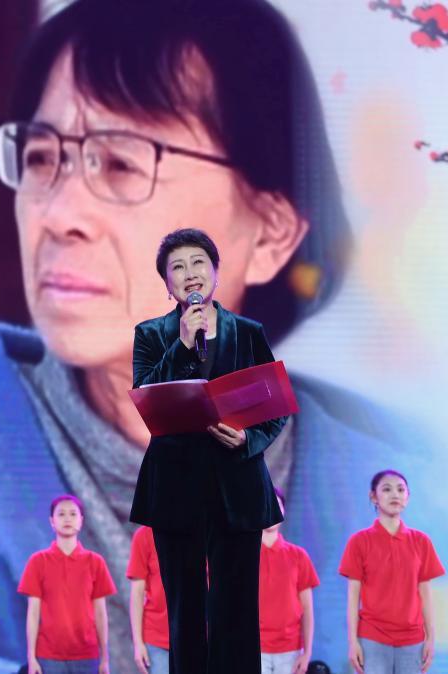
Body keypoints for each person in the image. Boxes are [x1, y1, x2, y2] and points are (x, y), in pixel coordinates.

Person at [0, 1, 414, 671]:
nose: (59, 214)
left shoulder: (401, 486)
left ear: (269, 234)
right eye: (41, 157)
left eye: (119, 165)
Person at [129, 227, 287, 674]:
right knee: (185, 608)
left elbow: (275, 408)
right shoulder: (151, 334)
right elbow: (146, 398)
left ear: (216, 272)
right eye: (177, 267)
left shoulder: (249, 333)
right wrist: (182, 344)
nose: (190, 273)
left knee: (236, 608)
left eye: (198, 262)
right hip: (175, 486)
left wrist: (249, 439)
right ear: (167, 284)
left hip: (236, 484)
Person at [339, 470, 444, 674]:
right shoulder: (359, 541)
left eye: (401, 490)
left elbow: (425, 594)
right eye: (387, 489)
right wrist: (353, 642)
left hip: (412, 639)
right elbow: (353, 597)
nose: (395, 494)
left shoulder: (421, 541)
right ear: (373, 497)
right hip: (372, 637)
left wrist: (431, 638)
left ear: (408, 497)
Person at [19, 495, 116, 674]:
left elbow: (100, 613)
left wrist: (105, 658)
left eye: (73, 514)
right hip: (48, 656)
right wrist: (31, 658)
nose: (67, 519)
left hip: (87, 655)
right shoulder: (38, 562)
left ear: (81, 521)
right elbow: (33, 613)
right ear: (52, 521)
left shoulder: (95, 562)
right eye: (61, 514)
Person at [259, 489, 318, 674]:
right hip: (252, 647)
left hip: (290, 650)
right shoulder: (243, 557)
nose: (271, 510)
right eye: (264, 504)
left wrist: (307, 653)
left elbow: (307, 609)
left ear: (283, 511)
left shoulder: (298, 556)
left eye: (276, 505)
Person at [126, 526, 168, 674]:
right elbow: (137, 593)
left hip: (199, 638)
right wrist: (138, 643)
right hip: (157, 640)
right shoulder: (144, 535)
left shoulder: (201, 529)